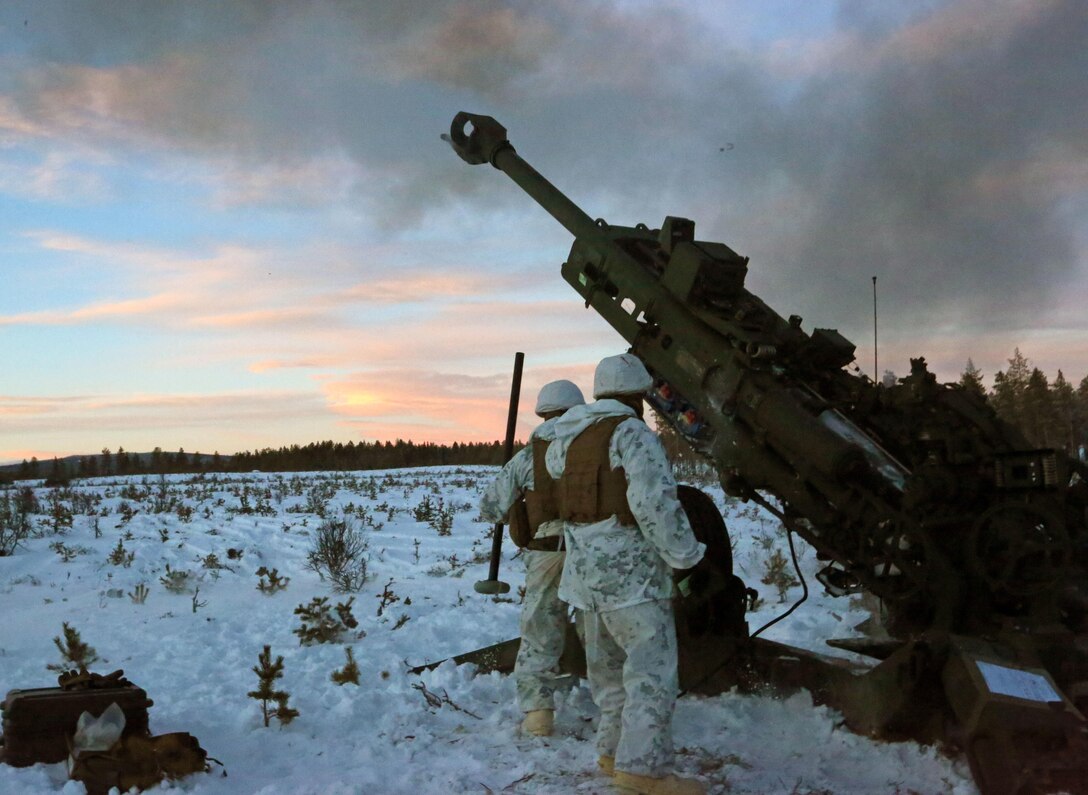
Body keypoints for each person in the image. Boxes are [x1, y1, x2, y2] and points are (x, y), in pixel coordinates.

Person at [546, 353, 706, 795]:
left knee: (609, 676)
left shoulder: (567, 437)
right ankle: (643, 772)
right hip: (632, 579)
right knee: (650, 676)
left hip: (584, 580)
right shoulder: (632, 434)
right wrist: (687, 558)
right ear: (638, 395)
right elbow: (654, 504)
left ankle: (612, 754)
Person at [479, 379, 586, 737]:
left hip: (546, 553)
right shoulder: (595, 449)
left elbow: (490, 507)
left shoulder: (527, 457)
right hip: (593, 551)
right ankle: (615, 711)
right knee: (600, 629)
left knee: (540, 631)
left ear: (542, 413)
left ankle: (539, 715)